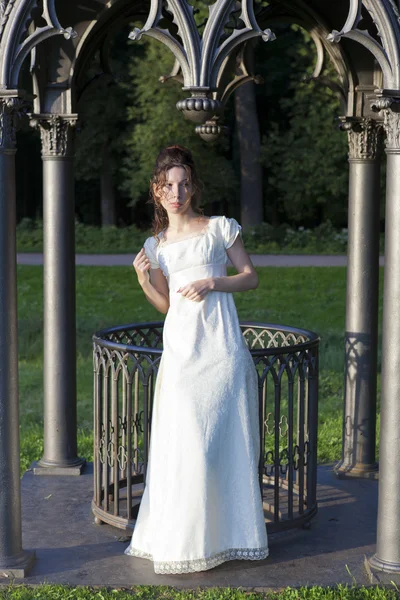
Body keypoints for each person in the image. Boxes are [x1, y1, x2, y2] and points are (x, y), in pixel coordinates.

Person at [125, 145, 268, 574]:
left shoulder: (219, 229)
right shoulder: (157, 244)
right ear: (157, 191)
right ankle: (185, 542)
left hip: (220, 350)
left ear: (194, 187)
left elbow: (251, 277)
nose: (177, 191)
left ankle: (228, 539)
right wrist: (143, 279)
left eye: (184, 183)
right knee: (189, 447)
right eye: (169, 185)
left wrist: (213, 282)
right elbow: (167, 306)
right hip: (182, 356)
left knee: (221, 446)